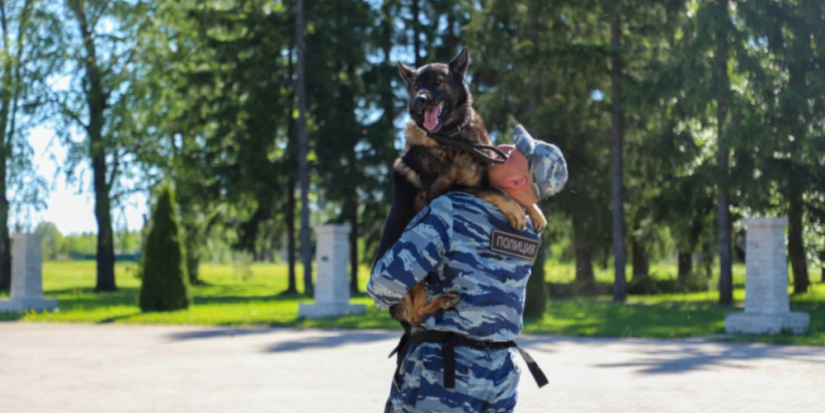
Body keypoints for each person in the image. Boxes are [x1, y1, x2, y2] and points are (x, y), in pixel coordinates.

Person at [367, 125, 568, 413]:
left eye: (517, 152)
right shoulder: (528, 230)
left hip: (446, 375)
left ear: (517, 179)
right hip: (500, 374)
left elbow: (383, 287)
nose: (505, 147)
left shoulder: (454, 210)